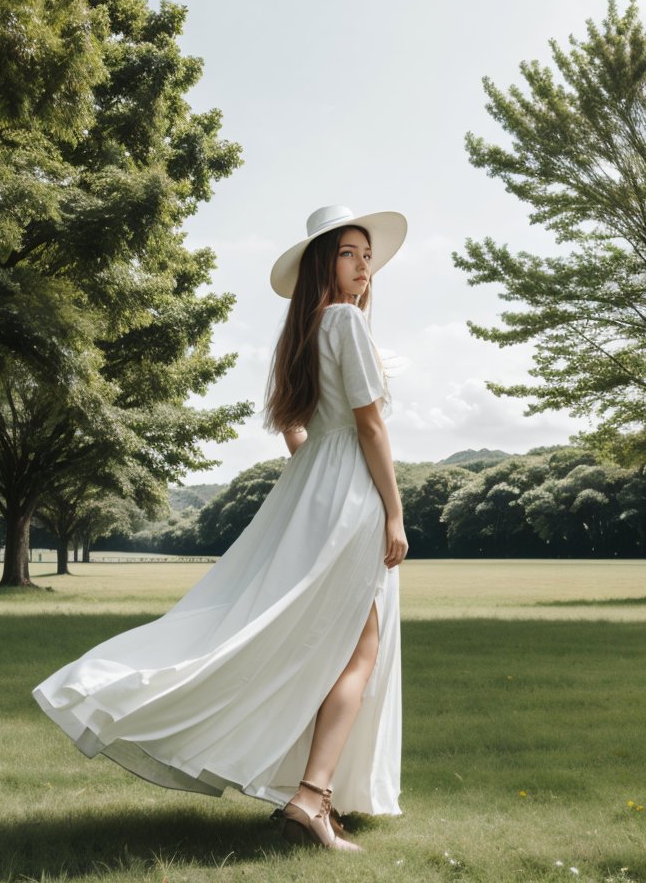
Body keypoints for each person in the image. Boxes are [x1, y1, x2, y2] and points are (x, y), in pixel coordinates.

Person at [33, 205, 409, 851]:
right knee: (359, 647)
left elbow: (297, 429)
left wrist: (317, 474)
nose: (364, 265)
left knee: (317, 638)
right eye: (350, 253)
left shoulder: (304, 332)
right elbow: (371, 426)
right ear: (325, 262)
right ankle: (312, 798)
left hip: (317, 492)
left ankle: (309, 791)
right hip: (351, 496)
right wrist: (394, 511)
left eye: (367, 254)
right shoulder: (345, 321)